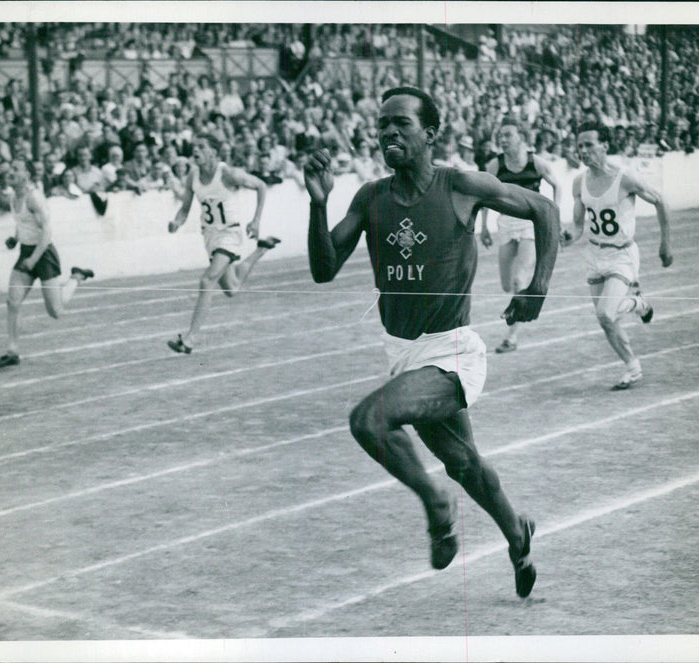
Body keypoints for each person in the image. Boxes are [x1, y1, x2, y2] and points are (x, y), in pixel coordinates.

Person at [304, 86, 560, 598]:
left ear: (430, 133)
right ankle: (518, 535)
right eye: (382, 126)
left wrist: (537, 288)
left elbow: (544, 211)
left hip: (452, 351)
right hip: (404, 356)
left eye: (401, 123)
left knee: (370, 420)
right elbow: (324, 269)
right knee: (465, 463)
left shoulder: (459, 185)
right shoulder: (371, 197)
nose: (389, 133)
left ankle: (438, 510)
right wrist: (318, 203)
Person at [560, 122, 673, 390]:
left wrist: (666, 243)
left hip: (622, 255)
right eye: (580, 146)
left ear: (605, 146)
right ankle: (632, 364)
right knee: (605, 319)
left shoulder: (625, 178)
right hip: (594, 254)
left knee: (606, 314)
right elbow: (578, 226)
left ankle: (635, 308)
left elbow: (660, 200)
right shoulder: (579, 182)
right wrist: (567, 237)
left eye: (589, 145)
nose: (583, 151)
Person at [166, 133, 279, 354]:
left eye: (201, 147)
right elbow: (185, 208)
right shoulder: (193, 176)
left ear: (213, 152)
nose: (195, 151)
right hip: (209, 237)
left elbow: (261, 186)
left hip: (229, 234)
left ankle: (190, 339)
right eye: (194, 147)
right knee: (231, 288)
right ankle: (261, 250)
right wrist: (176, 222)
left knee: (207, 280)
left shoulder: (227, 173)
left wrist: (256, 221)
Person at [0, 159, 94, 368]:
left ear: (27, 175)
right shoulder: (13, 197)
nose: (10, 172)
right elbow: (23, 224)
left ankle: (76, 277)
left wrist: (34, 259)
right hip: (27, 252)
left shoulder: (34, 197)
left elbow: (46, 232)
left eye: (16, 169)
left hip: (43, 254)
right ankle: (13, 351)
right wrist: (15, 239)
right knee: (13, 302)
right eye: (11, 169)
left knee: (56, 311)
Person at [480, 120, 561, 353]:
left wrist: (551, 215)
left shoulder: (536, 162)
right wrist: (484, 227)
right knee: (506, 284)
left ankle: (512, 337)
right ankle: (519, 299)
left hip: (530, 224)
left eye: (508, 135)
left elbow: (557, 186)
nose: (503, 140)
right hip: (505, 223)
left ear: (521, 137)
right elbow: (484, 195)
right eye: (500, 136)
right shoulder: (495, 165)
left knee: (519, 279)